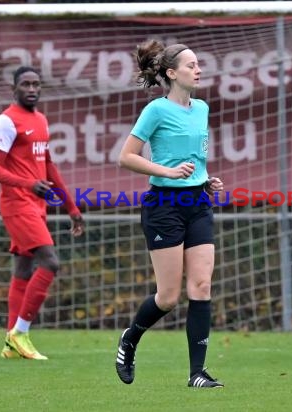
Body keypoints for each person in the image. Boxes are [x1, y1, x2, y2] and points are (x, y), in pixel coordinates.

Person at [115, 40, 224, 388]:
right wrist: (167, 172)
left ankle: (197, 374)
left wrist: (205, 180)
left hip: (197, 204)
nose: (198, 70)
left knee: (202, 286)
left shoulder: (202, 108)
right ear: (172, 73)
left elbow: (196, 160)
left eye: (199, 64)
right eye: (191, 65)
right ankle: (130, 339)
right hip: (163, 207)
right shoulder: (156, 111)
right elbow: (126, 157)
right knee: (168, 297)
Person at [0, 66, 85, 360]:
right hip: (17, 204)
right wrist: (28, 183)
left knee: (23, 270)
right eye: (25, 84)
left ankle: (10, 343)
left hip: (36, 205)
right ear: (13, 89)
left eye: (36, 84)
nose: (32, 89)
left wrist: (72, 207)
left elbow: (49, 167)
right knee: (50, 262)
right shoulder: (6, 121)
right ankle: (20, 332)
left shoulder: (40, 120)